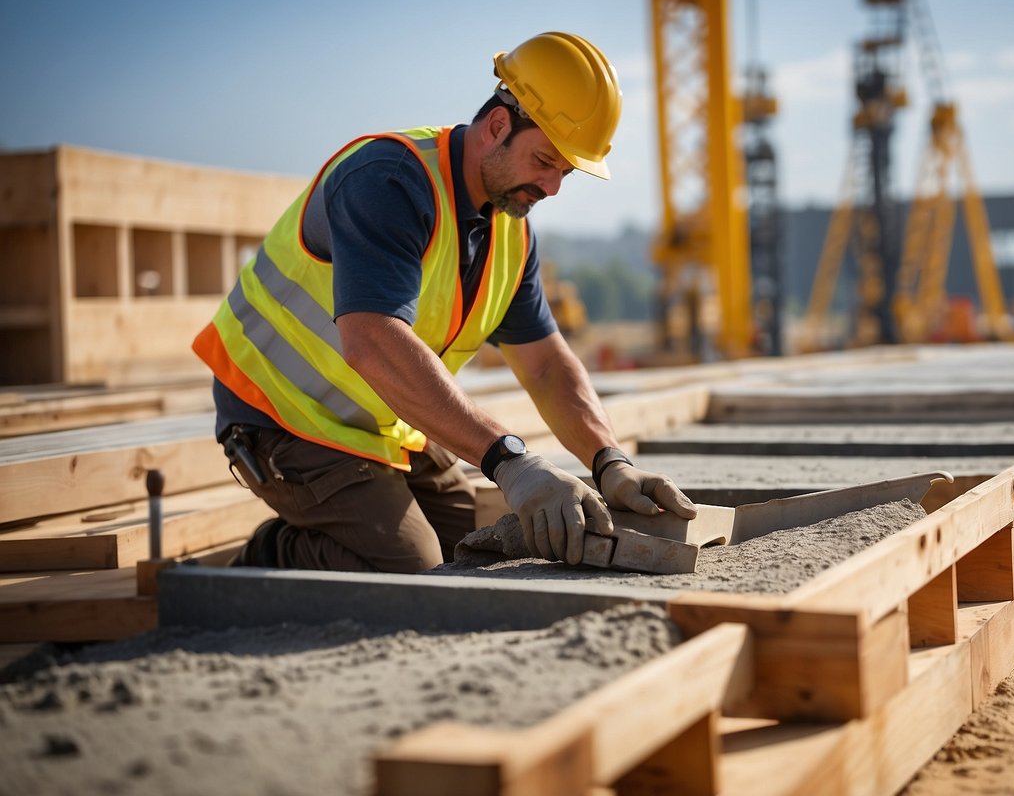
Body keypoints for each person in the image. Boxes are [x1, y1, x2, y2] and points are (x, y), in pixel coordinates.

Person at [192, 31, 697, 573]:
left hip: (383, 421)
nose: (552, 189)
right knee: (409, 567)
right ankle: (260, 561)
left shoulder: (510, 233)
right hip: (279, 417)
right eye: (545, 162)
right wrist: (512, 462)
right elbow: (371, 340)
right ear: (498, 126)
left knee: (471, 553)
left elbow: (547, 366)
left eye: (565, 172)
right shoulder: (388, 181)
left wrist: (608, 460)